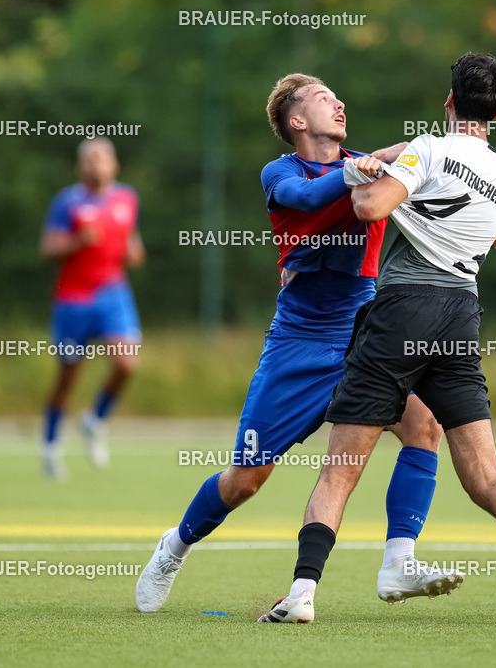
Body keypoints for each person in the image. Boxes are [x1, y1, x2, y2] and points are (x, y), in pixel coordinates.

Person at [260, 53, 496, 625]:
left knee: (341, 464)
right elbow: (492, 238)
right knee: (486, 476)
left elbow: (367, 207)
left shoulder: (429, 148)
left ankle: (303, 594)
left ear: (448, 102)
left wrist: (384, 175)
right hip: (461, 314)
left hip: (403, 310)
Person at [135, 73, 460, 614]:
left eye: (338, 95)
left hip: (363, 334)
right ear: (296, 121)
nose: (340, 102)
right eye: (323, 98)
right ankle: (175, 545)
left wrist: (449, 142)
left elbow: (411, 151)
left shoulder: (366, 163)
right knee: (246, 479)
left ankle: (399, 562)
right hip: (300, 343)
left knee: (424, 427)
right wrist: (354, 171)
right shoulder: (281, 172)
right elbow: (306, 197)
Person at [39, 137, 144, 480]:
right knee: (68, 377)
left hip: (112, 293)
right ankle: (51, 446)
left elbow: (133, 244)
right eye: (90, 160)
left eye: (103, 159)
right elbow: (48, 248)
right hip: (73, 299)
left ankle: (94, 420)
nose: (97, 165)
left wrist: (133, 253)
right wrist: (76, 242)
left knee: (126, 363)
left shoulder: (127, 198)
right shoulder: (67, 202)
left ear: (114, 165)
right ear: (80, 166)